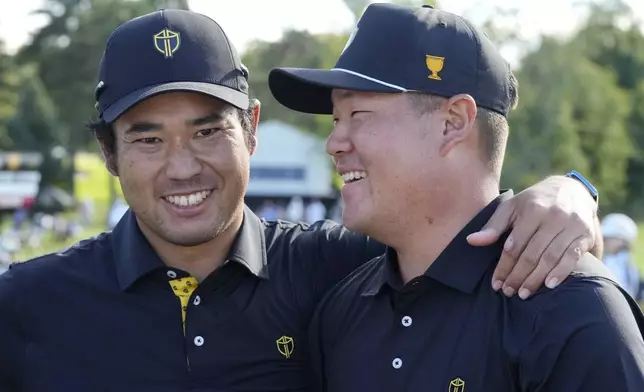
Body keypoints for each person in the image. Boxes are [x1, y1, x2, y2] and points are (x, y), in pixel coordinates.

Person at [0, 8, 604, 392]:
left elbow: (447, 215)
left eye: (209, 131)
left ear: (253, 130)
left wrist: (570, 192)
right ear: (109, 153)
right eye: (147, 139)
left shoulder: (339, 272)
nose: (183, 166)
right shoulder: (26, 302)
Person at [268, 3, 644, 391]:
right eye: (335, 119)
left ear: (453, 123)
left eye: (357, 114)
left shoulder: (571, 309)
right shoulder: (340, 313)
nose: (333, 143)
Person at [601, 213, 640, 298]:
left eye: (609, 238)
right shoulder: (613, 259)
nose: (605, 241)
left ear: (621, 240)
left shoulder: (619, 262)